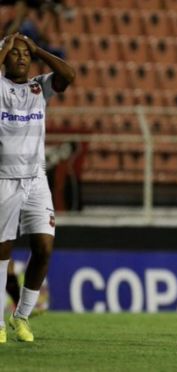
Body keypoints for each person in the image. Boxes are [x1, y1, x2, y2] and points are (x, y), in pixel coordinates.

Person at [0, 32, 75, 343]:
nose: (22, 57)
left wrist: (38, 49)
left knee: (43, 247)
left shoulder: (39, 87)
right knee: (1, 255)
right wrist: (4, 47)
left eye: (25, 54)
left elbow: (69, 75)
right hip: (3, 179)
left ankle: (22, 318)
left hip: (36, 178)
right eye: (15, 53)